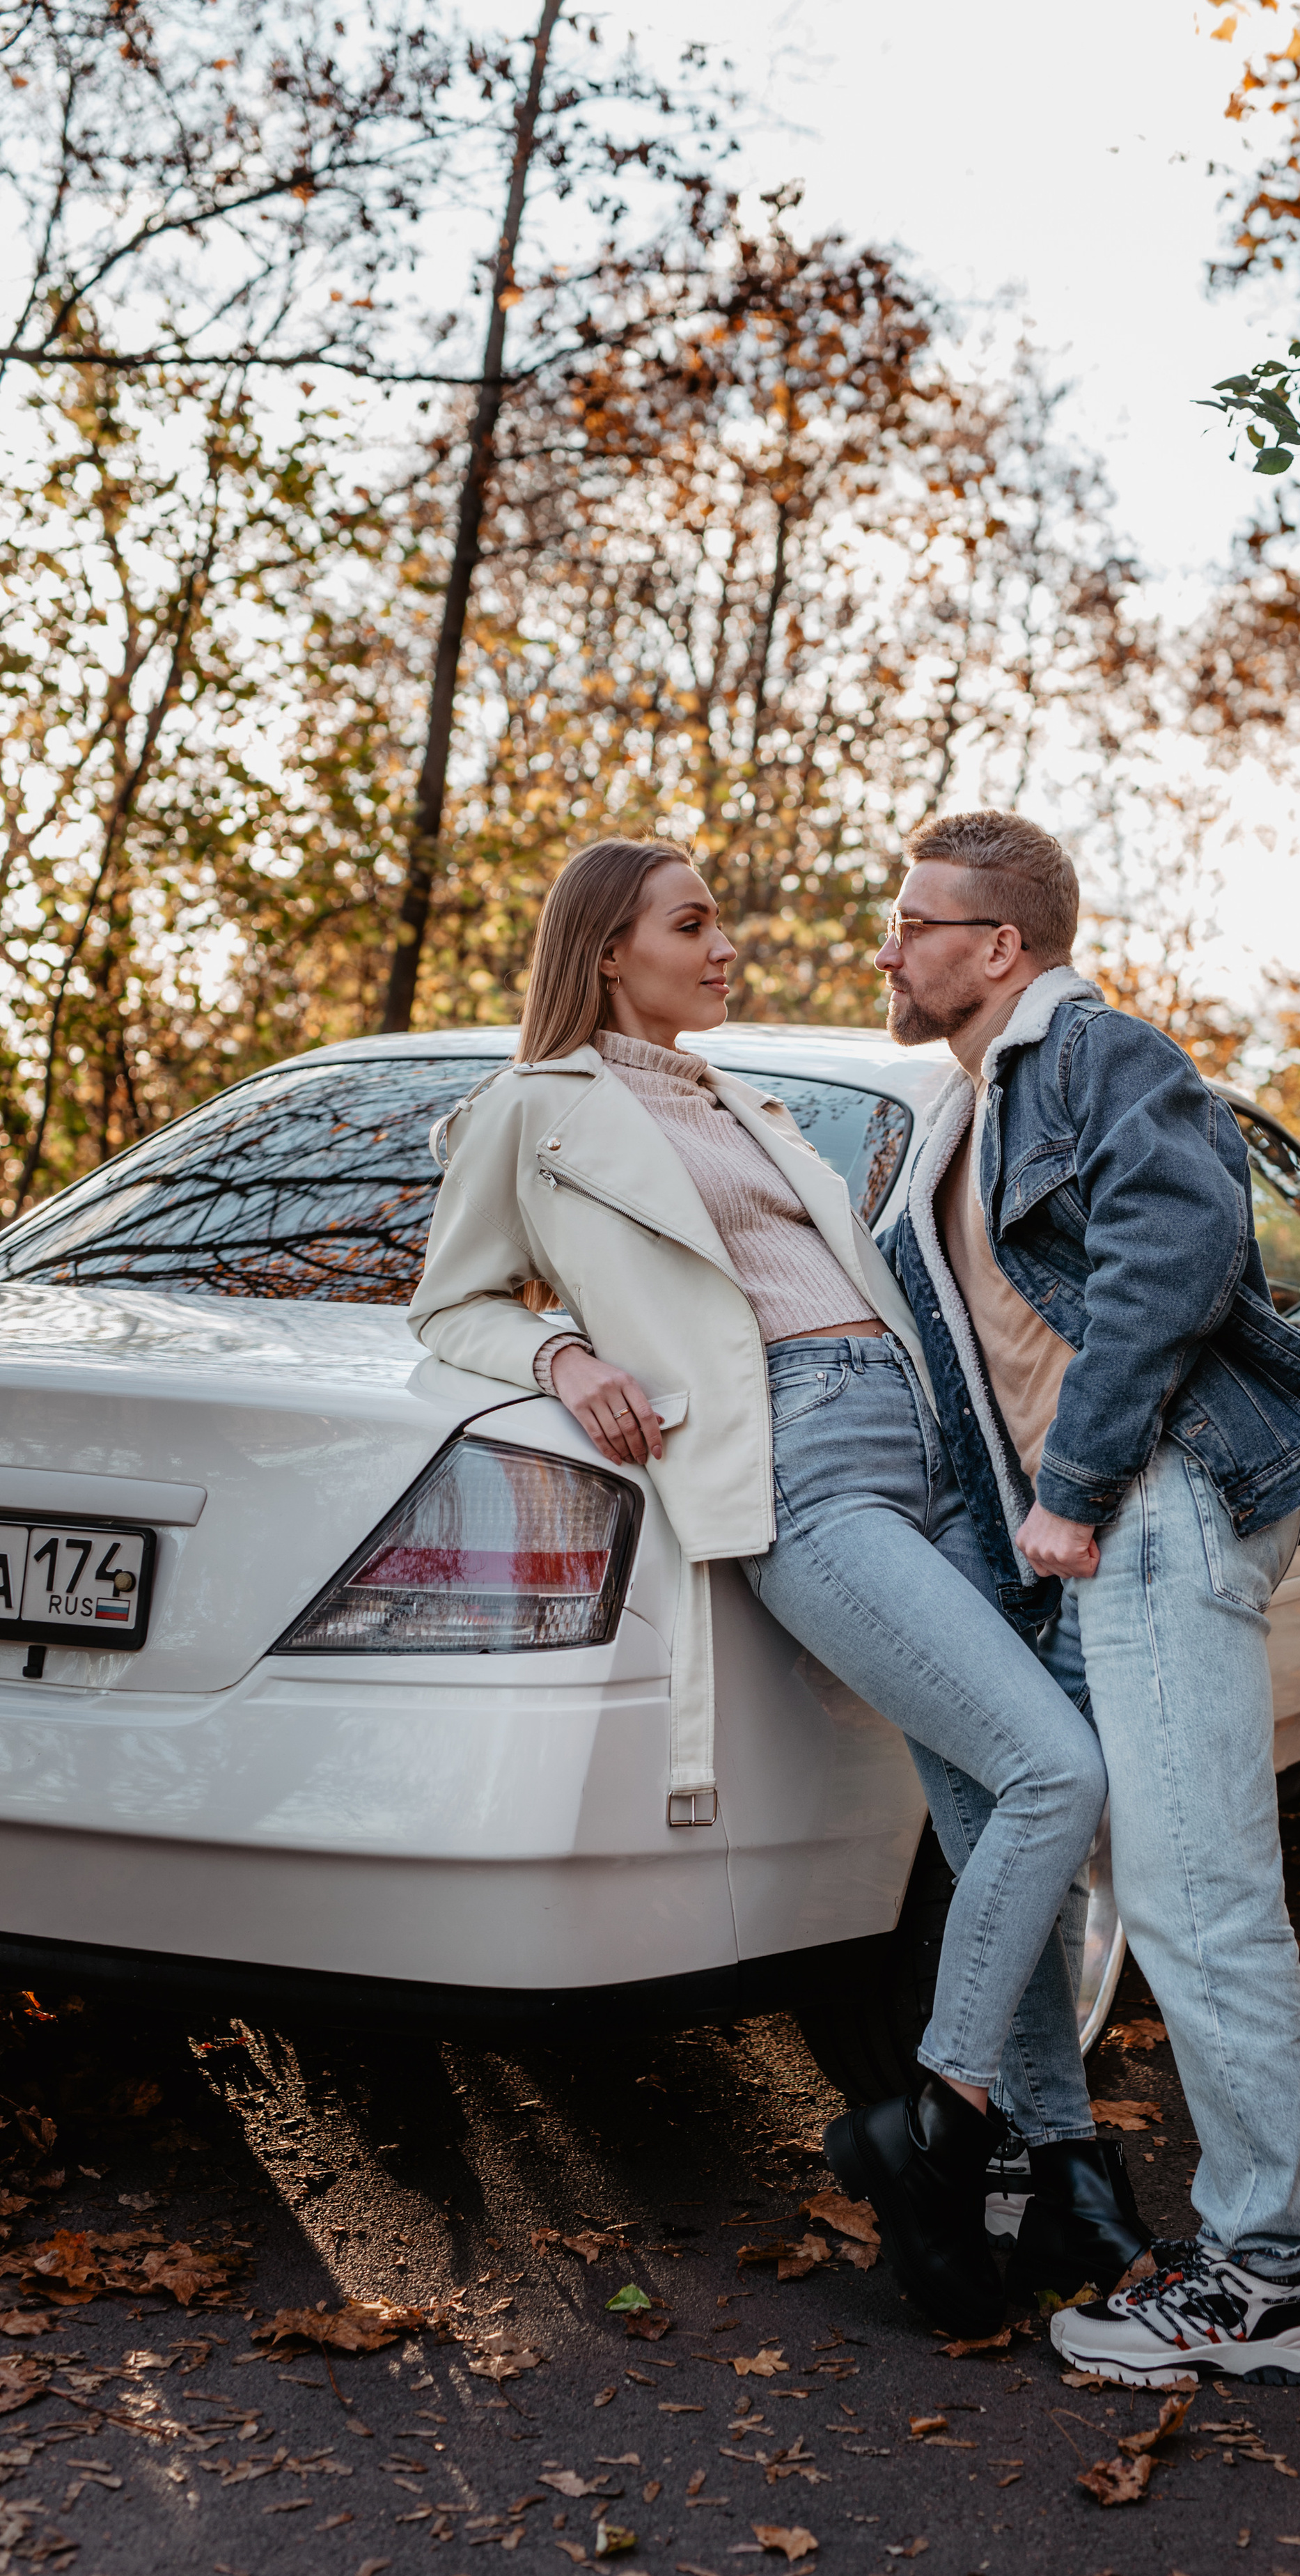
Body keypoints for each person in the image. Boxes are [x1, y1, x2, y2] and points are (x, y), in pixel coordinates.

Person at [408, 836, 1144, 2339]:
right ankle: (938, 2120)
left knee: (983, 1815)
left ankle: (1056, 2170)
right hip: (800, 1473)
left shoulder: (741, 1098)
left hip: (926, 1457)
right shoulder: (531, 1113)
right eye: (692, 924)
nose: (724, 945)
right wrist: (563, 1356)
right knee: (1053, 1772)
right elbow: (452, 1303)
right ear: (607, 949)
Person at [877, 809, 1300, 2387]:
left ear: (1001, 947)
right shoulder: (966, 1103)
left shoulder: (1096, 1049)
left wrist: (1074, 1485)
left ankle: (1265, 2283)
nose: (889, 947)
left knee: (1198, 1898)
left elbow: (1176, 1253)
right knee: (1158, 1876)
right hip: (1115, 1523)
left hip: (1161, 1504)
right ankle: (1246, 2254)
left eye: (917, 921)